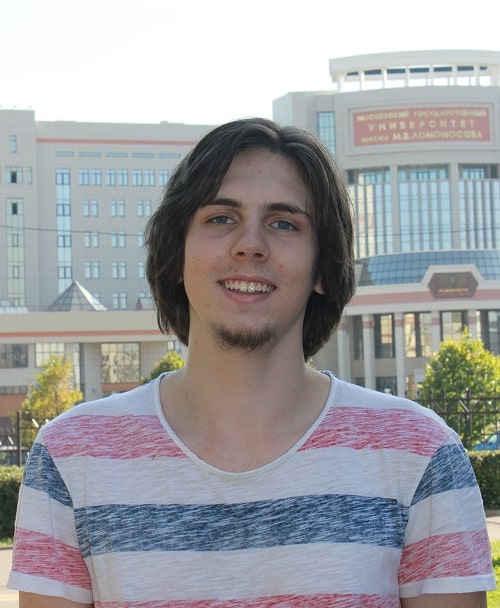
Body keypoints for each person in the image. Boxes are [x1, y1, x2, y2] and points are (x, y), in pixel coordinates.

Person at [8, 117, 495, 607]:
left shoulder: (420, 455)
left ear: (322, 268)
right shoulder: (72, 458)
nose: (250, 245)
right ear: (177, 255)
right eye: (221, 218)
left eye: (284, 223)